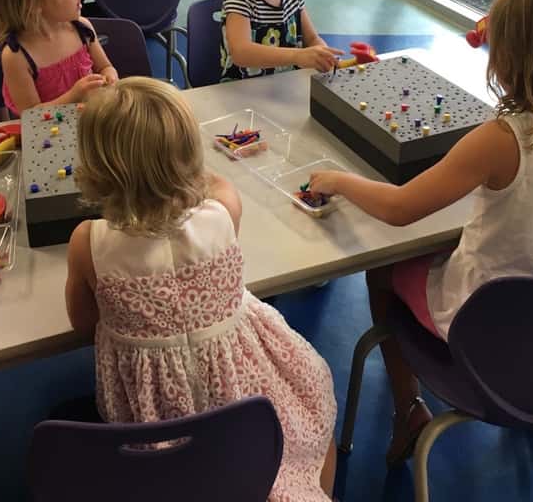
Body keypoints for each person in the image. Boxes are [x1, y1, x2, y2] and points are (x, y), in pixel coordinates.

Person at [309, 0, 533, 464]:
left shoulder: (501, 137)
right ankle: (532, 400)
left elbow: (398, 209)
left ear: (520, 56)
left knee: (383, 270)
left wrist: (337, 180)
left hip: (488, 319)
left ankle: (408, 408)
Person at [65, 78, 338, 500]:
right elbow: (211, 183)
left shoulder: (88, 242)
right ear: (190, 157)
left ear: (98, 171)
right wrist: (177, 167)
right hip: (241, 390)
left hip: (152, 412)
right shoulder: (224, 208)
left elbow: (83, 326)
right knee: (313, 415)